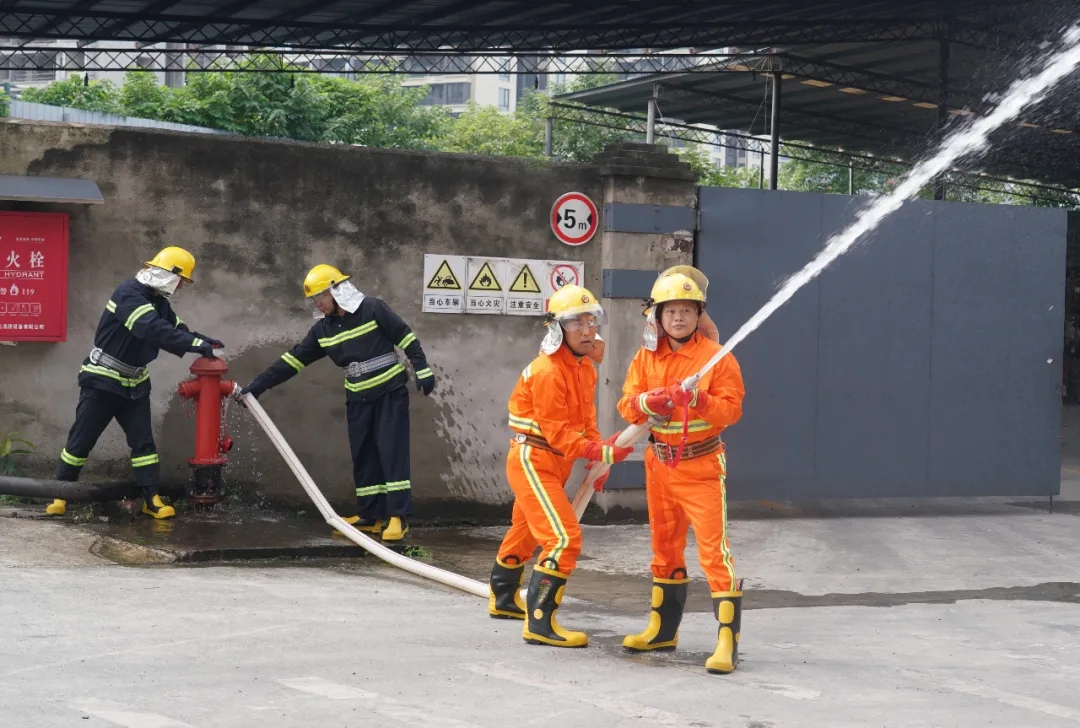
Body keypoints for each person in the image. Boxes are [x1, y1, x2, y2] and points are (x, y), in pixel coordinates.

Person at [233, 264, 434, 544]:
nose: (318, 303)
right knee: (363, 455)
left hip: (390, 392)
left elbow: (406, 337)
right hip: (358, 398)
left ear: (337, 290)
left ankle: (398, 517)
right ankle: (370, 515)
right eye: (314, 299)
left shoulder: (372, 309)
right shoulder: (323, 330)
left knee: (391, 451)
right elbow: (293, 361)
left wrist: (422, 368)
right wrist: (257, 386)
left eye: (321, 296)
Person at [486, 284, 634, 647]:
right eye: (576, 323)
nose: (587, 330)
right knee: (563, 539)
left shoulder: (585, 369)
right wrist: (600, 452)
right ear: (557, 328)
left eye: (591, 321)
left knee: (525, 532)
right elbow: (557, 434)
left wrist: (598, 457)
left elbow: (586, 421)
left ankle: (503, 599)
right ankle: (539, 621)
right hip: (533, 459)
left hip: (554, 462)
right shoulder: (548, 372)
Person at [617, 271, 747, 674]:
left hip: (701, 464)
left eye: (687, 311)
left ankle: (726, 643)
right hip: (659, 464)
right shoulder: (646, 357)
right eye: (671, 310)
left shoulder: (717, 357)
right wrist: (650, 400)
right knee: (664, 549)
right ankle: (662, 631)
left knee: (713, 552)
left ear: (698, 315)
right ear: (657, 316)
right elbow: (626, 405)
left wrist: (698, 399)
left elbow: (732, 411)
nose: (678, 317)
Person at [48, 246, 223, 520]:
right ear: (168, 275)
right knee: (81, 440)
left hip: (135, 383)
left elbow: (176, 330)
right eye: (180, 281)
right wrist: (194, 344)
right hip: (103, 380)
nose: (180, 288)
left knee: (144, 445)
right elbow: (151, 328)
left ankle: (150, 500)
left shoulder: (159, 302)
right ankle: (61, 493)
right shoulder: (129, 293)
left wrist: (203, 341)